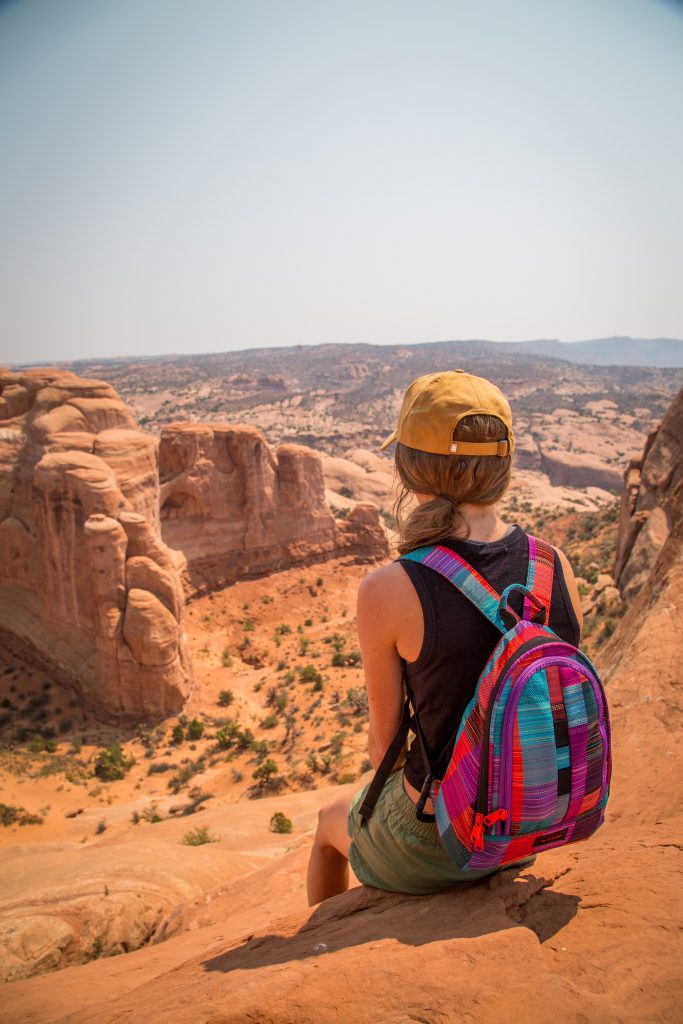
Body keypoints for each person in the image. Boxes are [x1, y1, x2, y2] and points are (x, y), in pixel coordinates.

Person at [306, 369, 584, 905]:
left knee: (327, 824)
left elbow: (383, 747)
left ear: (413, 472)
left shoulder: (390, 588)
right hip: (533, 821)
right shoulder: (554, 566)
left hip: (442, 842)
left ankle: (317, 939)